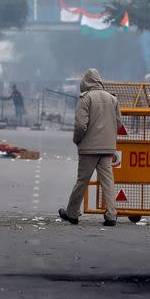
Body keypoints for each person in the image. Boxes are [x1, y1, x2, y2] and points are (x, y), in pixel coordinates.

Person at [59, 69, 122, 226]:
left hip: (89, 148)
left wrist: (77, 139)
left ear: (85, 82)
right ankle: (111, 215)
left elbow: (81, 124)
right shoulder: (112, 99)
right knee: (108, 182)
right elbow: (119, 123)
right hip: (107, 148)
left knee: (82, 181)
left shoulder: (85, 98)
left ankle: (72, 213)